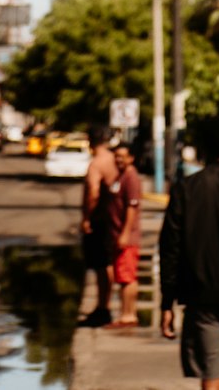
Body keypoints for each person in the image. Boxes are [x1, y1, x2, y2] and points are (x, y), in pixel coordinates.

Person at [159, 115, 219, 390]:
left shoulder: (186, 189)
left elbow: (170, 248)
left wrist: (167, 302)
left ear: (201, 148)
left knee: (209, 372)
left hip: (199, 295)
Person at [81, 123, 118, 326]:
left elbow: (93, 193)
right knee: (107, 264)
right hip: (110, 218)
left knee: (100, 266)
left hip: (99, 220)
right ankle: (104, 305)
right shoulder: (113, 160)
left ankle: (103, 307)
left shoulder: (96, 164)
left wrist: (87, 217)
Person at [106, 141, 143, 328]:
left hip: (127, 237)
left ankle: (129, 315)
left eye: (122, 156)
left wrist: (125, 233)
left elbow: (132, 206)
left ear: (131, 158)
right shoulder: (121, 176)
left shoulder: (131, 178)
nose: (118, 159)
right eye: (116, 156)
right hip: (117, 235)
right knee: (122, 276)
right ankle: (124, 313)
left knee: (128, 277)